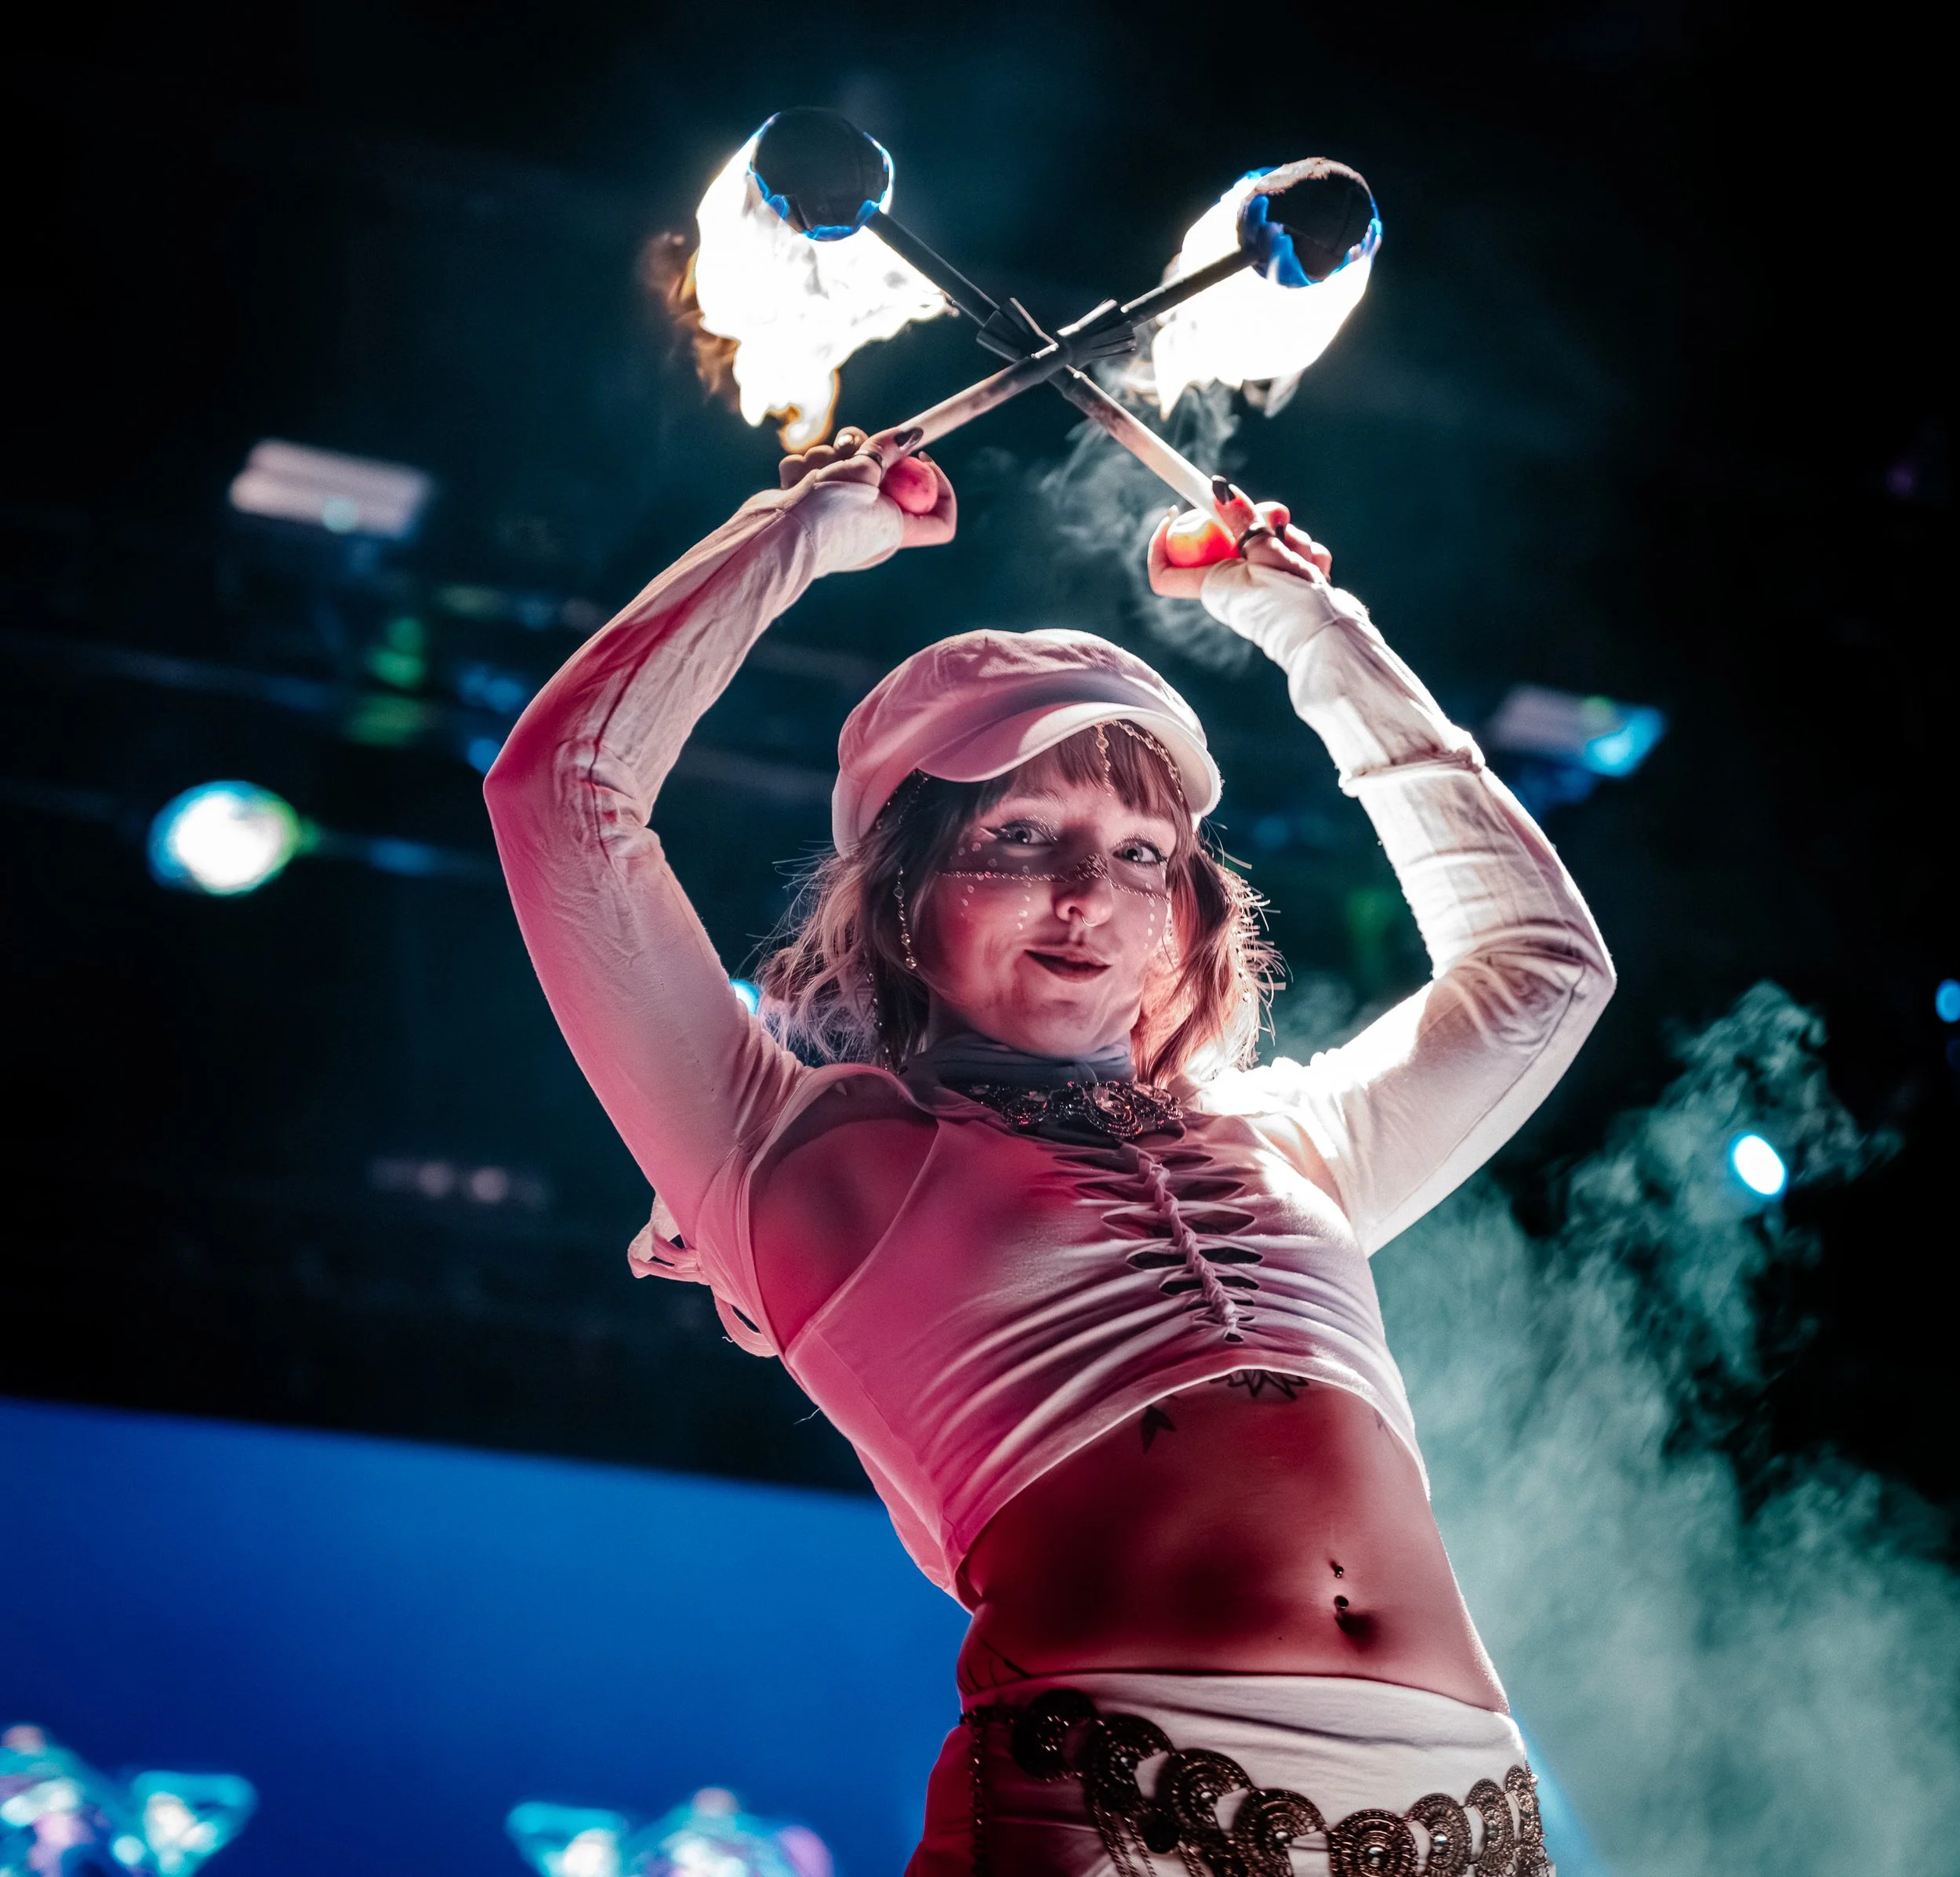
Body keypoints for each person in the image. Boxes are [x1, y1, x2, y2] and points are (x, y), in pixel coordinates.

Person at [485, 426, 1613, 1875]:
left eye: (1143, 851)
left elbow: (1546, 968)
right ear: (900, 889)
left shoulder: (1290, 1142)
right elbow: (557, 796)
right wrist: (800, 532)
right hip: (1112, 1812)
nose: (1090, 888)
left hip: (1461, 1825)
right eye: (1019, 833)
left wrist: (1311, 626)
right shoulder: (792, 1147)